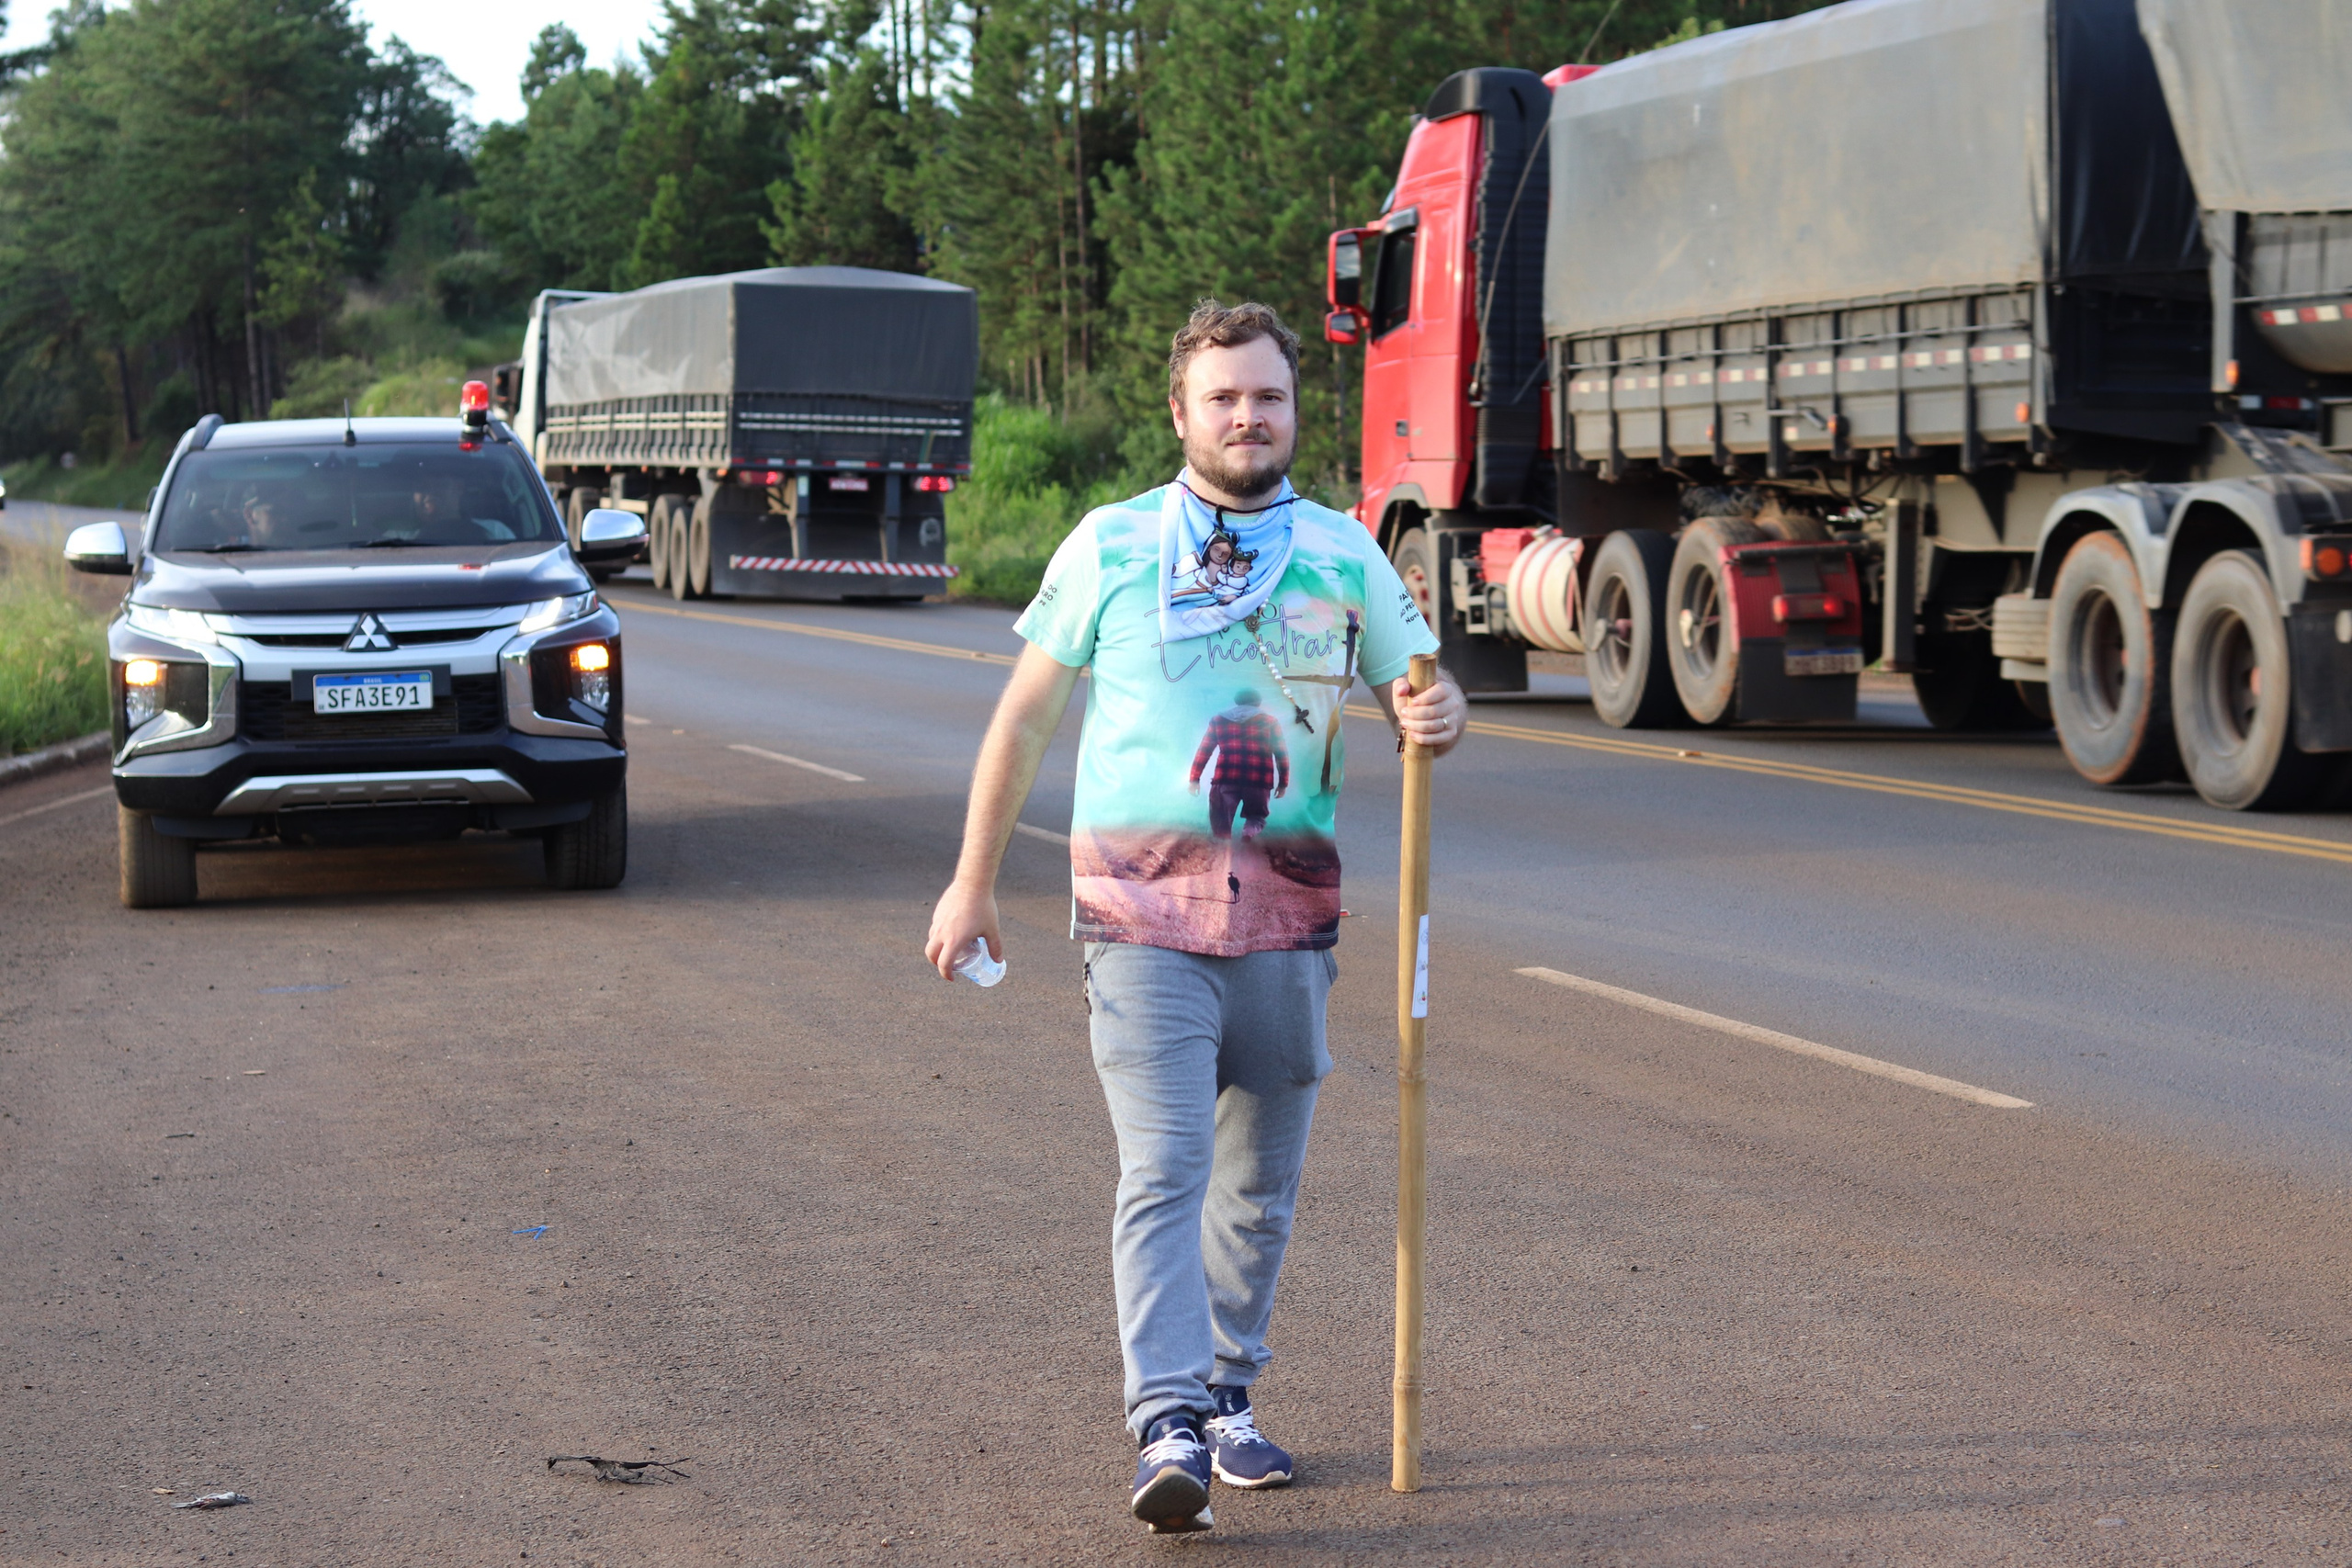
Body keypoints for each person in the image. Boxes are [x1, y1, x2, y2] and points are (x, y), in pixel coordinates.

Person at [924, 299, 1465, 1535]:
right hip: (1140, 916)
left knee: (1259, 1189)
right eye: (1223, 397)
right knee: (1166, 1165)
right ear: (1181, 413)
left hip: (1289, 918)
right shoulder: (1111, 544)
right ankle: (1165, 1420)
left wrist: (1438, 716)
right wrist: (973, 879)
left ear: (1295, 410)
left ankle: (1226, 1394)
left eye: (1268, 396)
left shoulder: (1344, 553)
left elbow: (1421, 691)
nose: (1247, 416)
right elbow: (1023, 718)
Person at [1190, 688, 1288, 841]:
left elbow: (1204, 750)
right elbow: (1281, 754)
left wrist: (1194, 779)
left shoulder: (1218, 720)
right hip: (1259, 779)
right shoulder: (1270, 722)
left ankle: (1222, 846)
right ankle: (1249, 831)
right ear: (1258, 702)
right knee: (1256, 816)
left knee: (1220, 818)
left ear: (1237, 701)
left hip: (1225, 777)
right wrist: (1283, 783)